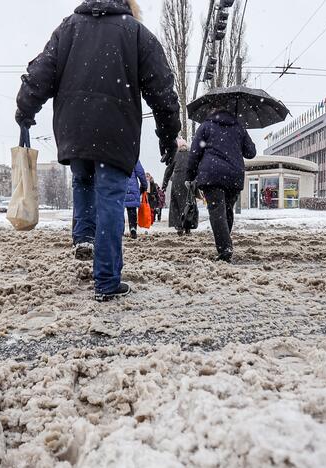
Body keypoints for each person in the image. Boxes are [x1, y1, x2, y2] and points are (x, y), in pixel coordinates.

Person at [15, 0, 180, 302]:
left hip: (74, 129)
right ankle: (105, 281)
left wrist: (26, 110)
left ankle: (84, 236)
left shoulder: (68, 28)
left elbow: (40, 73)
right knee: (110, 198)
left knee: (83, 182)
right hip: (115, 130)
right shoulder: (135, 32)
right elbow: (163, 90)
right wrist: (168, 137)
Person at [187, 107, 256, 263]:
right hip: (234, 176)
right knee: (227, 211)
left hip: (212, 174)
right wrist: (239, 134)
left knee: (217, 212)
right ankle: (225, 244)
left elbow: (194, 153)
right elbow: (251, 152)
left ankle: (225, 249)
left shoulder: (206, 126)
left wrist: (190, 175)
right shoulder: (239, 127)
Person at [163, 138, 194, 235]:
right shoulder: (191, 155)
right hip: (188, 182)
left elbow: (168, 171)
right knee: (188, 204)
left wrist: (165, 184)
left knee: (176, 204)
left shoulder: (175, 156)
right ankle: (188, 227)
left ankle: (179, 226)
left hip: (176, 182)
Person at [124, 161, 148, 239]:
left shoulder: (116, 153)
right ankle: (133, 228)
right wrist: (144, 185)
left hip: (120, 186)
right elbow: (140, 172)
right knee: (132, 210)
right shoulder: (133, 154)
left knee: (119, 210)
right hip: (132, 187)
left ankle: (119, 230)